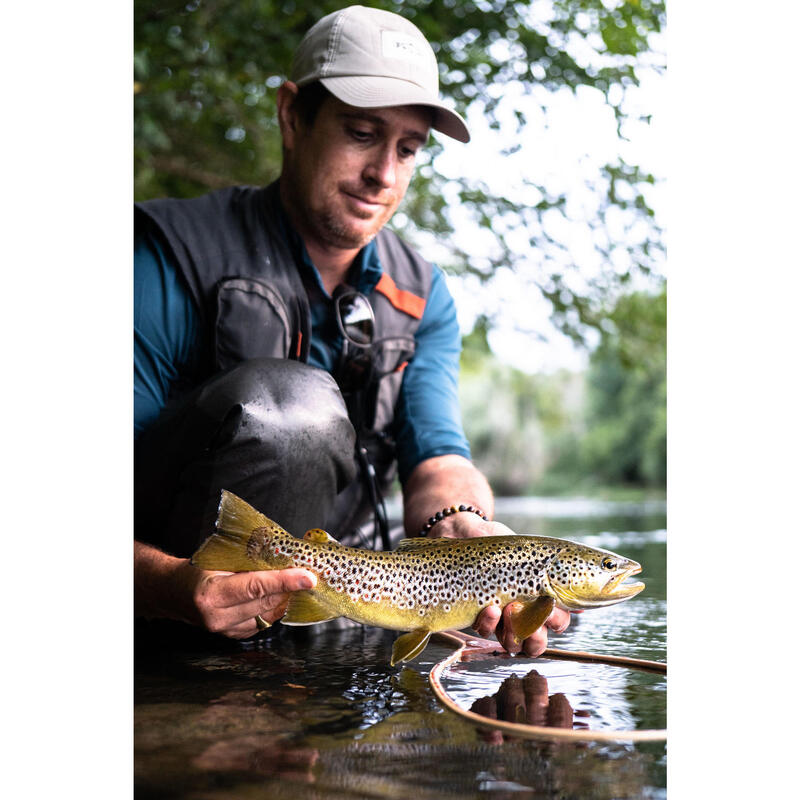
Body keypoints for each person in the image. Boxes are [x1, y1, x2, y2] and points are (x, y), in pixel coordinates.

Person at [134, 5, 571, 654]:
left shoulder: (425, 295)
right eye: (362, 133)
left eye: (408, 148)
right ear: (291, 116)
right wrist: (169, 586)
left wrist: (467, 528)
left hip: (352, 603)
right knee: (293, 409)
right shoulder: (168, 255)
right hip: (165, 602)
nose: (384, 176)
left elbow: (438, 459)